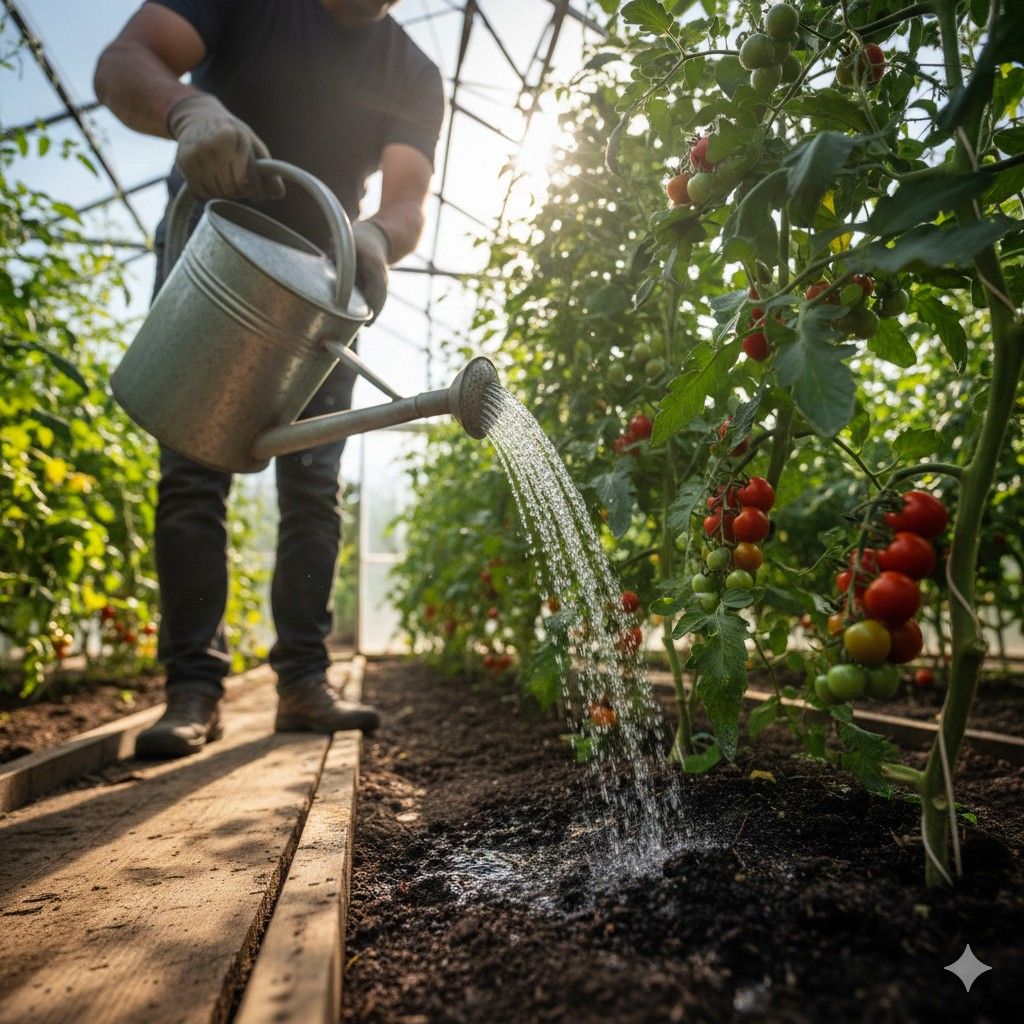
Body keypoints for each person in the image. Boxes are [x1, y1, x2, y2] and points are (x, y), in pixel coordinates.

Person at [94, 0, 444, 758]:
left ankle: (303, 685)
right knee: (192, 470)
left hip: (324, 283)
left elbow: (408, 201)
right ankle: (191, 691)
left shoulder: (411, 72)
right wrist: (189, 110)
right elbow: (124, 61)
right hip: (211, 251)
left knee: (313, 482)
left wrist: (377, 236)